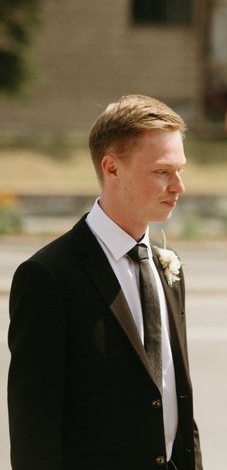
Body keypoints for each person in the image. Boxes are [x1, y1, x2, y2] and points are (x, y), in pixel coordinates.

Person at [7, 95, 202, 470]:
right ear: (112, 168)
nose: (178, 186)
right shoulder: (49, 276)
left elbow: (175, 398)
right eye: (162, 172)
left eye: (180, 170)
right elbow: (34, 429)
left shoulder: (167, 267)